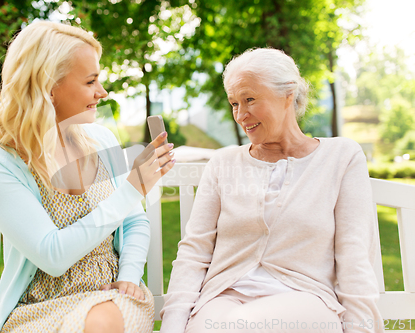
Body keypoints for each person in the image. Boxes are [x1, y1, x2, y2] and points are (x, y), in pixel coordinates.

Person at [159, 48, 383, 333]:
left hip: (305, 300)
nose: (241, 114)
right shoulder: (223, 163)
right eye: (234, 103)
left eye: (250, 99)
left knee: (242, 327)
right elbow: (194, 252)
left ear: (288, 94)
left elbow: (354, 256)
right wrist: (172, 327)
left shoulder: (341, 157)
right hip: (223, 299)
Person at [0, 21, 176, 333]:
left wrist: (129, 278)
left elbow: (134, 221)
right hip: (35, 311)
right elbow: (52, 255)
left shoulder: (101, 139)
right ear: (49, 84)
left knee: (101, 322)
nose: (102, 92)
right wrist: (132, 188)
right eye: (90, 81)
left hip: (113, 298)